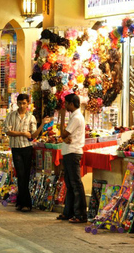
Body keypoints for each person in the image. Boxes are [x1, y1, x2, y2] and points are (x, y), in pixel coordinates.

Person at [3, 93, 50, 212]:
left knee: (26, 175)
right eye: (19, 103)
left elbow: (33, 135)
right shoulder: (11, 116)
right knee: (20, 174)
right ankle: (25, 203)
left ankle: (22, 201)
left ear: (28, 104)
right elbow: (7, 131)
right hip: (16, 148)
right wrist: (23, 133)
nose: (22, 105)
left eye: (24, 103)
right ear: (17, 103)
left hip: (27, 148)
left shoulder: (31, 117)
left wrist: (43, 124)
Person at [58, 93, 87, 223]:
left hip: (73, 152)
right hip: (68, 152)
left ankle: (80, 214)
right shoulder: (74, 116)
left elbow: (64, 133)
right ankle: (68, 212)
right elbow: (64, 136)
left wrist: (62, 117)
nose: (65, 106)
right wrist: (64, 138)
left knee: (76, 184)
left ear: (71, 103)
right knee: (70, 184)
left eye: (66, 103)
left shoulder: (76, 117)